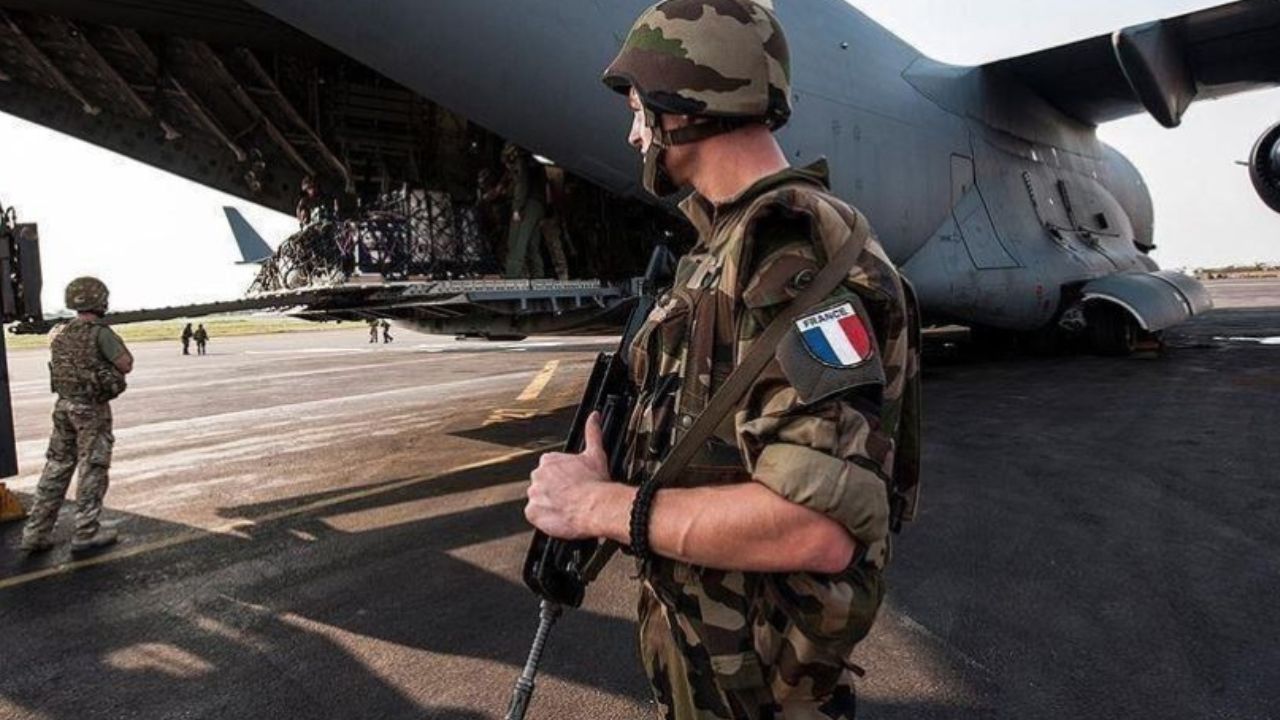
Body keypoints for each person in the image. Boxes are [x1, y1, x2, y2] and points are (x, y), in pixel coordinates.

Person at [523, 2, 922, 718]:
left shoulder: (790, 253)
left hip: (762, 699)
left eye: (642, 108)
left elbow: (816, 527)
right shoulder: (727, 247)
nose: (634, 130)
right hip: (715, 684)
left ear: (686, 105)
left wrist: (597, 507)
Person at [21, 277, 134, 553]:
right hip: (90, 410)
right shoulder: (100, 333)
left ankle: (35, 532)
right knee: (92, 467)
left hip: (63, 407)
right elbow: (126, 364)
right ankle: (86, 531)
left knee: (56, 467)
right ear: (99, 300)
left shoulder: (59, 332)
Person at [499, 143, 548, 278]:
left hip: (528, 204)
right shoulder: (535, 161)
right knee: (532, 245)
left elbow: (522, 185)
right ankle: (539, 278)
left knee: (516, 242)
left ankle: (512, 277)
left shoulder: (521, 162)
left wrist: (516, 209)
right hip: (539, 205)